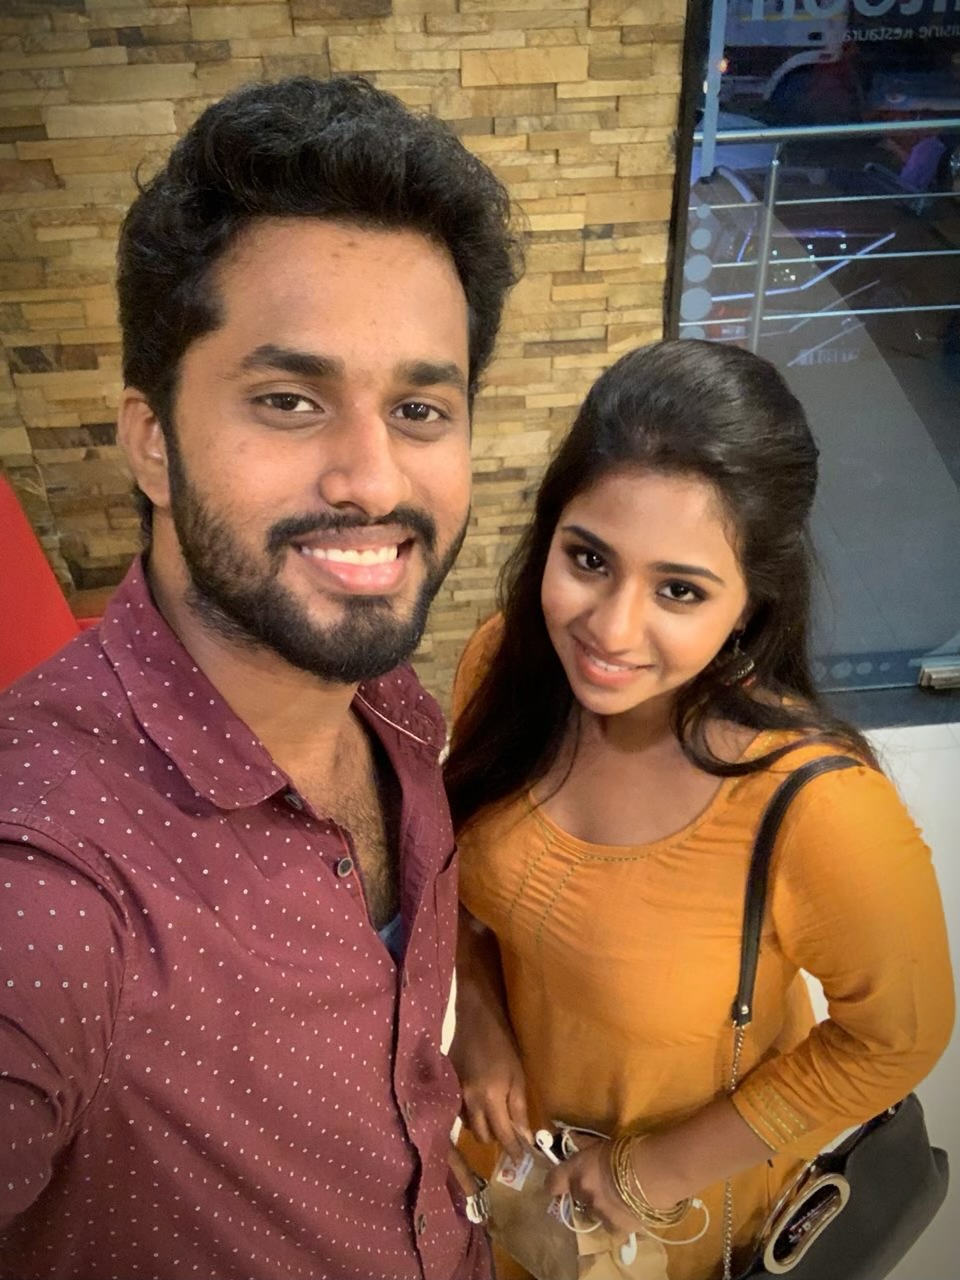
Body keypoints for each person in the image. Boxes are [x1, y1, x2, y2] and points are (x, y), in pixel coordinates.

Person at [0, 74, 521, 1280]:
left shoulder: (393, 710)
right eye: (289, 399)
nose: (372, 478)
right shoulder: (48, 878)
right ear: (153, 442)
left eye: (421, 406)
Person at [444, 340, 954, 1280]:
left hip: (677, 1234)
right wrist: (477, 1014)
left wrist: (653, 1171)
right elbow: (466, 883)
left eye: (679, 590)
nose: (610, 629)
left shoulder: (820, 808)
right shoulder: (505, 671)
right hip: (513, 1192)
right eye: (588, 559)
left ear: (751, 602)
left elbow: (899, 1036)